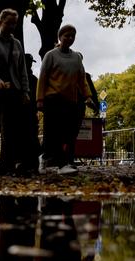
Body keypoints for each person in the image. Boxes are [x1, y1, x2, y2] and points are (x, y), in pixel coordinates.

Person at [0, 8, 33, 177]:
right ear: (0, 22)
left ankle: (12, 162)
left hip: (15, 91)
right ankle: (6, 162)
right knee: (4, 127)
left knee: (15, 127)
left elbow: (22, 70)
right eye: (8, 23)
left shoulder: (16, 43)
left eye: (14, 23)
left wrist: (25, 91)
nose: (12, 26)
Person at [37, 25, 94, 175]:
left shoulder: (76, 57)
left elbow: (82, 79)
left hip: (70, 100)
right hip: (52, 98)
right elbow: (42, 78)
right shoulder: (51, 55)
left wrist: (88, 97)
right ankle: (62, 165)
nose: (69, 38)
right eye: (66, 35)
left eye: (72, 36)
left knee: (67, 133)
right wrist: (40, 99)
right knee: (54, 132)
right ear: (60, 37)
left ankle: (45, 157)